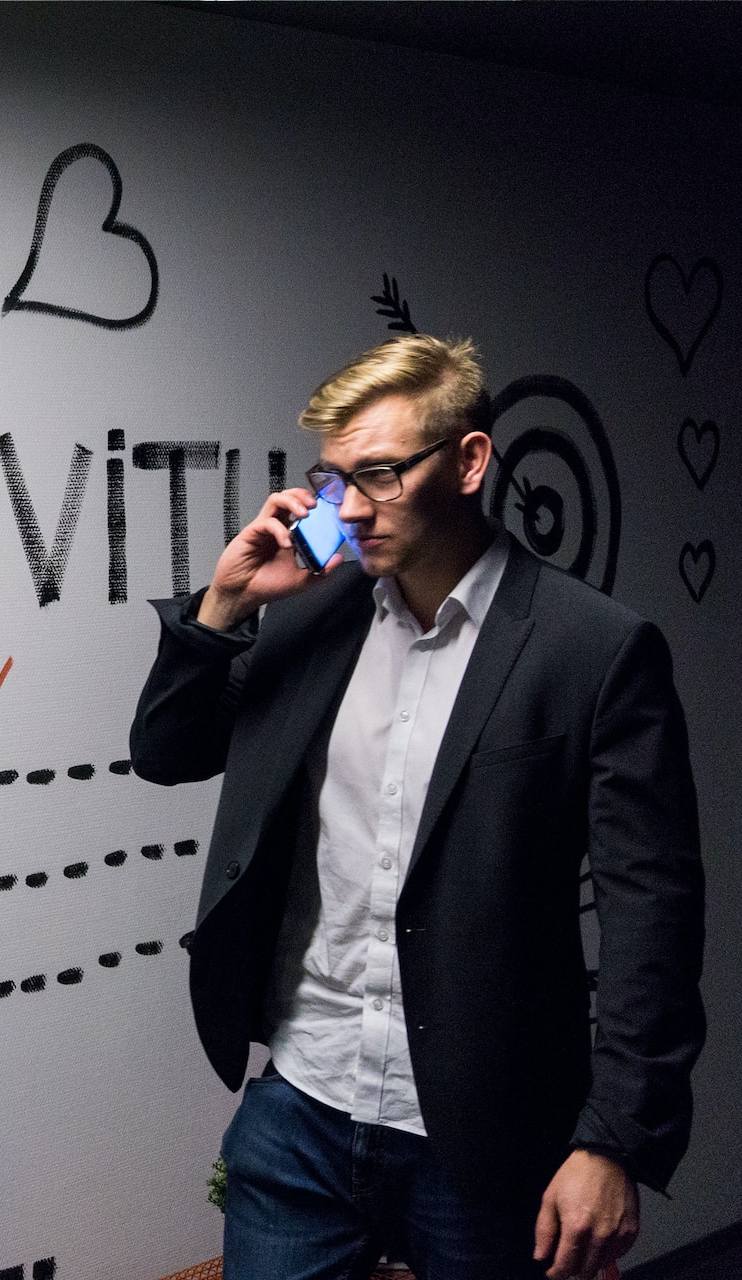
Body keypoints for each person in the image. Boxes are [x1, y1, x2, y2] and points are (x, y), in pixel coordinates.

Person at [129, 335, 704, 1280]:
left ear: (470, 462)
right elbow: (166, 752)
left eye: (383, 475)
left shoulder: (593, 649)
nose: (350, 508)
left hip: (486, 1131)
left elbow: (656, 917)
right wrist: (226, 605)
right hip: (301, 1110)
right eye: (335, 476)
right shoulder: (314, 611)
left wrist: (615, 1141)